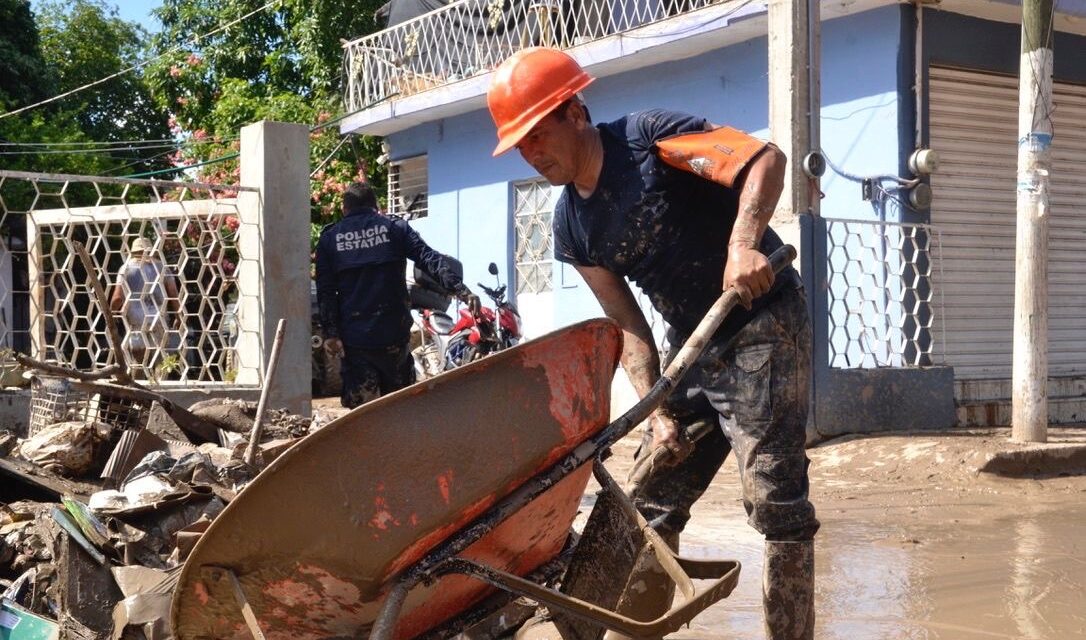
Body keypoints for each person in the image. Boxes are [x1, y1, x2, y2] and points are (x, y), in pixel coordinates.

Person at [486, 48, 817, 639]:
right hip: (690, 347)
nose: (534, 155)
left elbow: (764, 158)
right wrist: (655, 409)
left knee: (774, 500)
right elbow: (627, 323)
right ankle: (623, 630)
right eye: (522, 147)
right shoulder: (570, 226)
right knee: (646, 500)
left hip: (762, 324)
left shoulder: (650, 140)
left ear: (577, 111)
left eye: (540, 135)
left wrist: (743, 244)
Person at [315, 182, 479, 408]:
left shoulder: (330, 239)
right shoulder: (395, 228)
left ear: (345, 209)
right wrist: (461, 290)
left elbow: (325, 292)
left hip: (355, 341)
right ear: (376, 206)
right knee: (401, 411)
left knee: (362, 418)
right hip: (393, 337)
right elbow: (429, 259)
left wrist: (331, 333)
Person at [109, 236, 181, 376]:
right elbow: (173, 293)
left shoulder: (126, 268)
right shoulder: (161, 267)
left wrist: (111, 315)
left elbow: (117, 298)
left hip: (136, 322)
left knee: (138, 361)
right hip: (159, 321)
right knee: (161, 361)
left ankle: (138, 394)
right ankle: (159, 391)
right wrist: (179, 315)